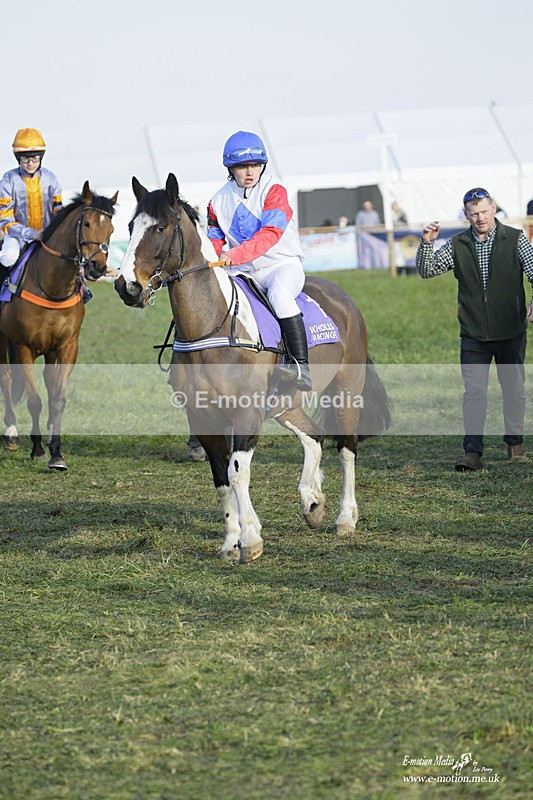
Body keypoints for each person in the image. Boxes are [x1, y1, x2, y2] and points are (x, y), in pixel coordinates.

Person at [417, 187, 533, 471]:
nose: (480, 218)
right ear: (466, 215)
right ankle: (473, 453)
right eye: (473, 213)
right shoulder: (458, 244)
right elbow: (427, 270)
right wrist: (426, 244)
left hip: (511, 330)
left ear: (493, 208)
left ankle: (515, 446)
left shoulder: (516, 239)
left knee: (514, 389)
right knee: (474, 393)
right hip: (473, 334)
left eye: (483, 211)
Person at [207, 130, 311, 391]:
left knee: (280, 296)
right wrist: (212, 256)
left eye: (255, 165)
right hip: (241, 272)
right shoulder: (216, 201)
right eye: (242, 166)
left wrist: (233, 255)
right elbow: (214, 238)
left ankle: (301, 367)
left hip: (281, 265)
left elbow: (270, 233)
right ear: (230, 169)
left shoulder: (275, 191)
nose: (250, 172)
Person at [0, 129, 62, 283]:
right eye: (25, 159)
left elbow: (59, 212)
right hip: (17, 237)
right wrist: (31, 234)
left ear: (41, 158)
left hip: (47, 235)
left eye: (34, 159)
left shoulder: (51, 179)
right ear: (17, 159)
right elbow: (5, 221)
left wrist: (50, 233)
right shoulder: (8, 180)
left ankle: (81, 287)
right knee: (8, 257)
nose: (30, 163)